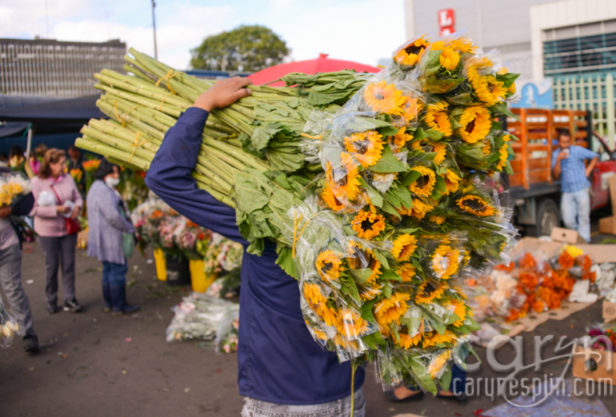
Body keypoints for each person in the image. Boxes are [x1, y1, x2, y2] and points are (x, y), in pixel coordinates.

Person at [145, 77, 366, 417]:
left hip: (282, 395)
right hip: (347, 392)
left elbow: (165, 176)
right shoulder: (368, 223)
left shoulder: (270, 223)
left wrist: (202, 105)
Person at [30, 148, 84, 313]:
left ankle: (70, 298)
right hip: (47, 232)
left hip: (68, 229)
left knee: (68, 264)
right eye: (60, 163)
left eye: (64, 162)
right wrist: (57, 210)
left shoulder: (67, 178)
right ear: (50, 164)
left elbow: (78, 197)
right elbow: (33, 210)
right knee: (52, 265)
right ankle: (51, 299)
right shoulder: (36, 183)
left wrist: (77, 208)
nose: (63, 166)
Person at [86, 159, 139, 315]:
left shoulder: (98, 188)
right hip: (110, 236)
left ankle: (110, 303)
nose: (116, 176)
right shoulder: (103, 190)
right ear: (104, 173)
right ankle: (119, 305)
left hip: (102, 235)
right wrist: (129, 227)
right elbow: (113, 216)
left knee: (108, 269)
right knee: (117, 269)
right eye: (113, 172)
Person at [0, 166, 40, 353]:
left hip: (7, 244)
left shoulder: (7, 175)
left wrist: (11, 208)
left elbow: (28, 200)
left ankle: (27, 333)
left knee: (13, 288)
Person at [552, 128, 598, 242]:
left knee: (584, 217)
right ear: (559, 142)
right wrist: (558, 159)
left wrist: (587, 171)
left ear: (570, 141)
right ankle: (577, 237)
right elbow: (556, 175)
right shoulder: (556, 154)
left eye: (567, 142)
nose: (565, 145)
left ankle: (585, 240)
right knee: (567, 219)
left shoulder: (577, 150)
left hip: (581, 188)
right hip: (567, 191)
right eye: (563, 142)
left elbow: (595, 156)